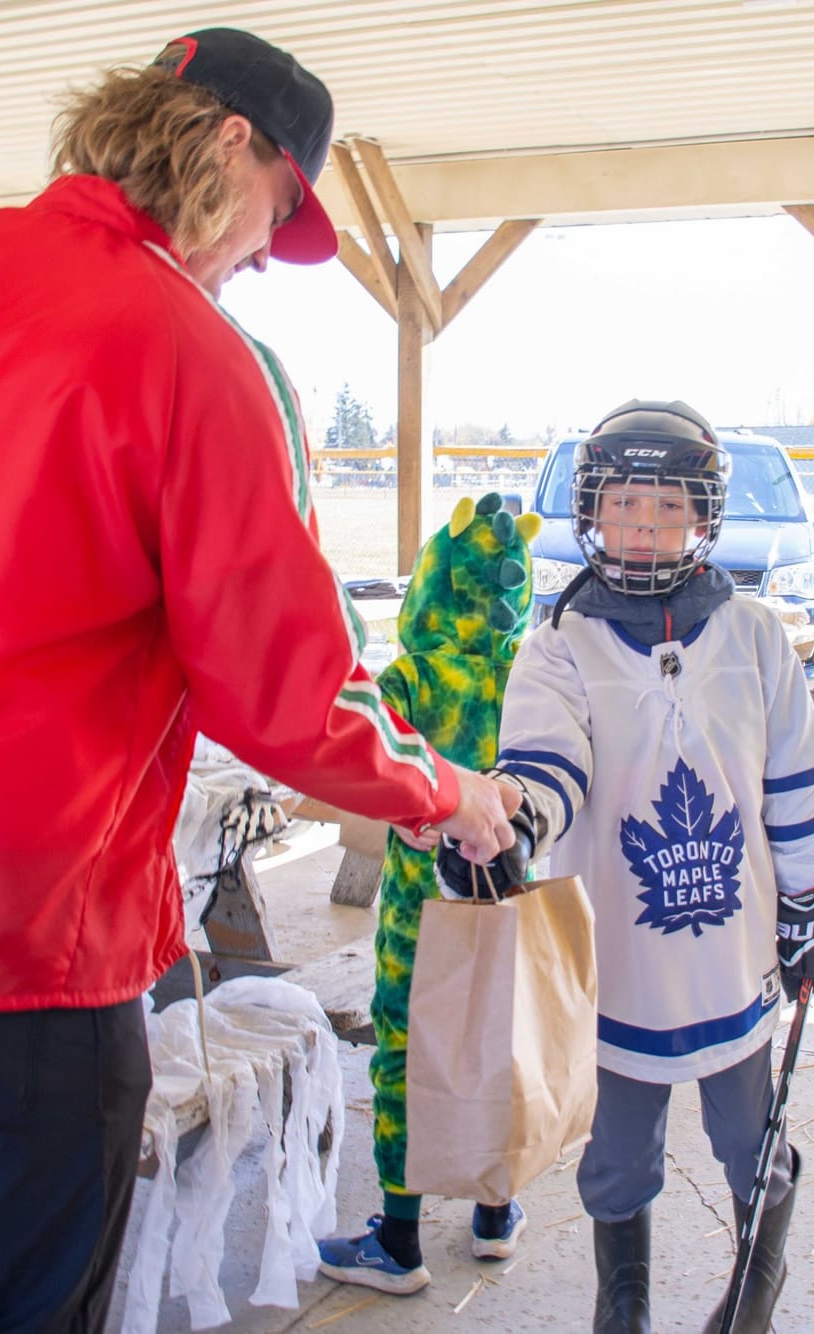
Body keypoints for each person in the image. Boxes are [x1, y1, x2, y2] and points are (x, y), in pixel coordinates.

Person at [0, 28, 517, 1332]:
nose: (256, 257)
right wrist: (439, 786)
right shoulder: (188, 354)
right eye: (276, 215)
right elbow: (286, 689)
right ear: (231, 148)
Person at [435, 400, 814, 1334]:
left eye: (665, 509)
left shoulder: (755, 636)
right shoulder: (558, 647)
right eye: (626, 506)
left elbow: (793, 780)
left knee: (750, 1138)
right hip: (620, 958)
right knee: (618, 1156)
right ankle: (620, 1305)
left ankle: (756, 1291)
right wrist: (508, 826)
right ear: (593, 513)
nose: (643, 528)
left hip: (734, 950)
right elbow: (546, 767)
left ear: (702, 516)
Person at [316, 492, 544, 1294]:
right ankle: (493, 1214)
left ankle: (401, 1239)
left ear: (433, 581)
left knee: (407, 1054)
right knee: (498, 1043)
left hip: (421, 915)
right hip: (506, 905)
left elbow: (372, 774)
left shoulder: (408, 678)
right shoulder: (529, 674)